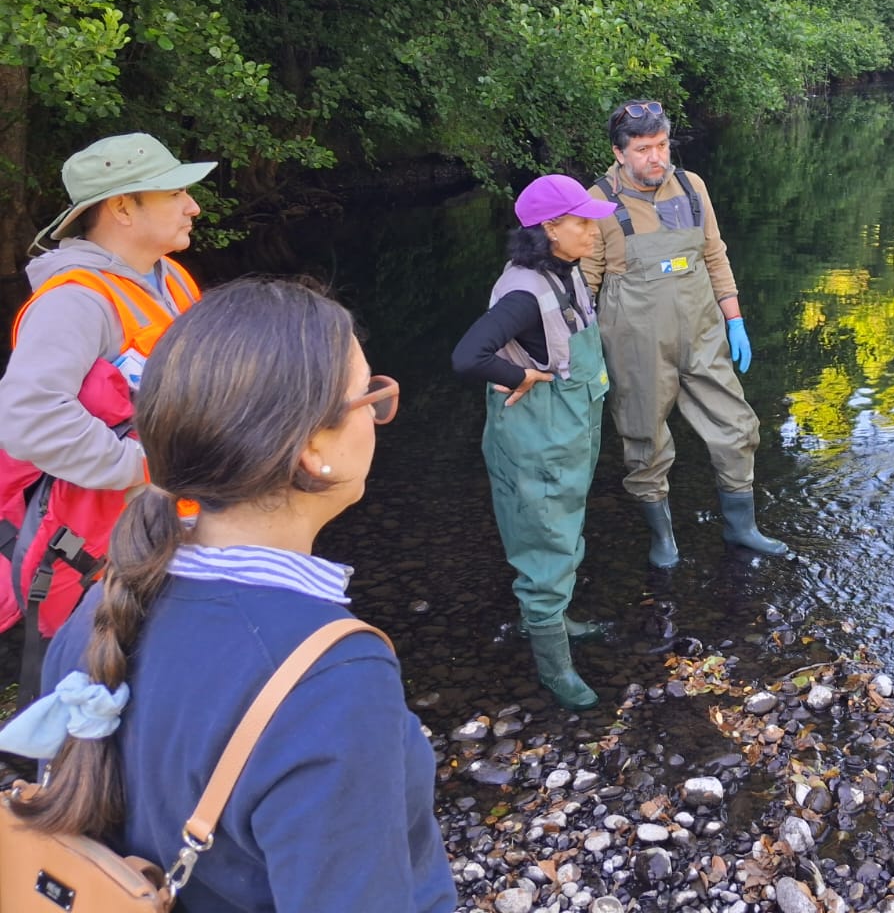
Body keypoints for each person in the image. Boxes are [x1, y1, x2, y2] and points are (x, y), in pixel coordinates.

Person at [0, 278, 455, 912]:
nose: (379, 413)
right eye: (370, 396)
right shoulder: (331, 676)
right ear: (311, 451)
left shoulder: (101, 604)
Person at [0, 132, 213, 695]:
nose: (193, 205)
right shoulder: (74, 301)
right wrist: (141, 466)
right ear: (122, 207)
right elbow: (27, 418)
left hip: (172, 529)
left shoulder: (170, 279)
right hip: (113, 553)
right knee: (112, 696)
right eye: (175, 193)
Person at [581, 99, 789, 566]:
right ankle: (664, 539)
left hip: (703, 332)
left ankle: (742, 529)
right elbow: (587, 280)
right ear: (618, 153)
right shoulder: (596, 201)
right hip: (635, 344)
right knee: (645, 442)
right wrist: (583, 352)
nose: (656, 158)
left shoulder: (692, 187)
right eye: (642, 149)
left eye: (661, 145)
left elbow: (714, 255)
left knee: (737, 427)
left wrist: (734, 320)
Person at [452, 174, 617, 711]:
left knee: (564, 529)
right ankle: (554, 667)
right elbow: (467, 356)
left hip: (569, 428)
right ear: (548, 228)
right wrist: (517, 376)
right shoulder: (524, 293)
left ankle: (555, 616)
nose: (593, 230)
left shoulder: (563, 270)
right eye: (581, 222)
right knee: (544, 538)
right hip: (538, 437)